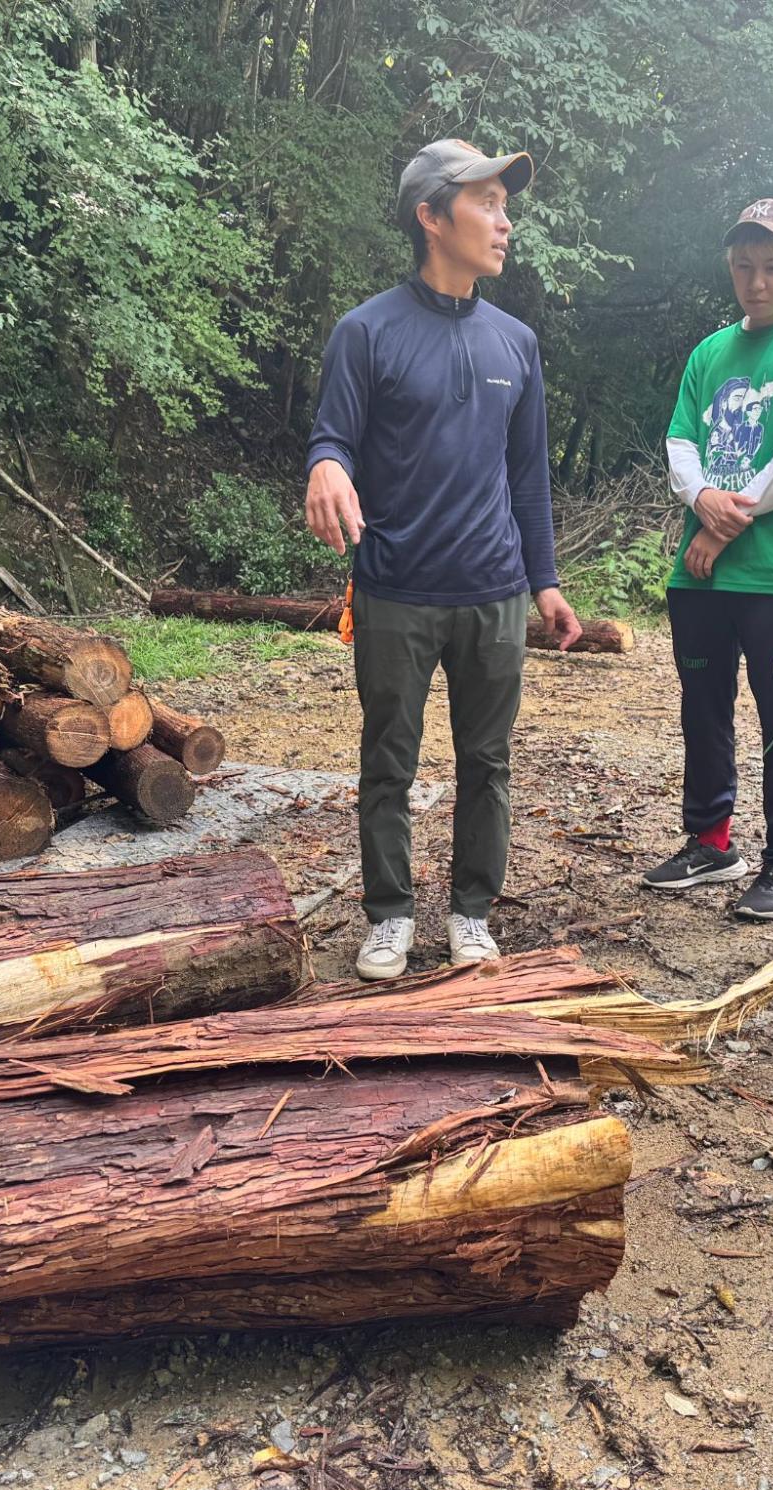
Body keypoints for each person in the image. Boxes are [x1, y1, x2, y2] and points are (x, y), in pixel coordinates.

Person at [304, 139, 583, 981]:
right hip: (394, 588)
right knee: (387, 761)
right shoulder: (366, 331)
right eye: (485, 204)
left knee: (486, 763)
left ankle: (471, 913)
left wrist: (545, 582)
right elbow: (332, 437)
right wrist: (325, 465)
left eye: (505, 206)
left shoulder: (515, 342)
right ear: (430, 216)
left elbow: (527, 477)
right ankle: (389, 915)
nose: (503, 222)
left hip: (493, 592)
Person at [640, 200, 773, 921]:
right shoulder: (709, 353)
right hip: (698, 572)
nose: (756, 281)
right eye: (743, 266)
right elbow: (681, 441)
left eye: (771, 267)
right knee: (702, 710)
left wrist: (724, 524)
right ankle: (710, 843)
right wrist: (701, 497)